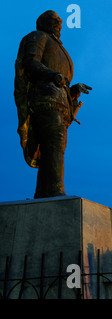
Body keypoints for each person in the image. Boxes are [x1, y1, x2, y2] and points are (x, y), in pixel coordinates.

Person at [14, 10, 92, 198]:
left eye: (59, 21)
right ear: (43, 23)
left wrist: (74, 90)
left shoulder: (58, 47)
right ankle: (56, 190)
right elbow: (31, 63)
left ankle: (43, 193)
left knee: (52, 147)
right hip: (45, 98)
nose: (59, 24)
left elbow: (62, 81)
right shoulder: (37, 37)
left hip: (59, 102)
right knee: (55, 143)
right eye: (54, 20)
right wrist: (52, 75)